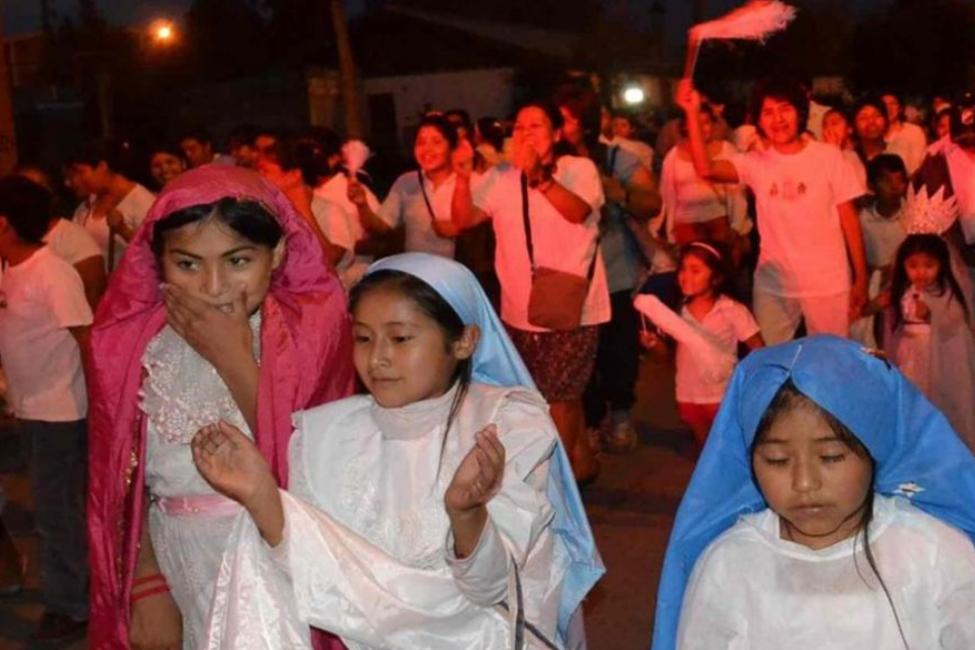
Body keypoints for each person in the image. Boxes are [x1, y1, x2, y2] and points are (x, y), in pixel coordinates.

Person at [189, 253, 603, 649]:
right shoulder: (326, 432)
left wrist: (467, 514)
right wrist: (261, 494)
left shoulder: (508, 425)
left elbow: (494, 590)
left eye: (401, 338)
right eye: (364, 338)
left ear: (464, 340)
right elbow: (317, 573)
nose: (378, 357)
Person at [86, 166, 355, 649]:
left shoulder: (304, 336)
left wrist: (231, 356)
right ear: (157, 261)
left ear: (275, 254)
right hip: (178, 563)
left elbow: (314, 471)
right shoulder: (141, 344)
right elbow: (130, 478)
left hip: (271, 564)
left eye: (237, 261)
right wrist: (147, 581)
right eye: (187, 264)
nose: (213, 286)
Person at [653, 336, 975, 650]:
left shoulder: (933, 553)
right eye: (778, 460)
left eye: (831, 456)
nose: (804, 483)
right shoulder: (729, 564)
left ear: (876, 449)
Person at [451, 101, 609, 482]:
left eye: (536, 125)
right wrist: (460, 177)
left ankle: (559, 485)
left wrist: (538, 176)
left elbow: (577, 212)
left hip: (572, 307)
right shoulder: (502, 176)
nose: (525, 132)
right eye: (519, 126)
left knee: (559, 399)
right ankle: (583, 462)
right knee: (550, 395)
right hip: (519, 310)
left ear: (556, 134)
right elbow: (461, 220)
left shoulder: (578, 169)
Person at [676, 77, 868, 344]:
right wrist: (691, 112)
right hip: (774, 284)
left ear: (800, 112)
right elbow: (706, 169)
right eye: (768, 112)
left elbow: (849, 219)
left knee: (829, 360)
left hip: (827, 282)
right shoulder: (755, 163)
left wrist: (861, 277)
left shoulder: (829, 157)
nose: (777, 119)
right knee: (770, 358)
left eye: (784, 109)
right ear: (758, 120)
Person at [0, 176, 92, 642]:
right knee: (50, 509)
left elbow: (85, 339)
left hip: (59, 412)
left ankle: (71, 605)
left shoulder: (52, 272)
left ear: (4, 224)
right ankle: (71, 593)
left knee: (57, 512)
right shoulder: (9, 268)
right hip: (31, 407)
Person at [555, 83, 661, 453]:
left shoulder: (616, 159)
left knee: (618, 348)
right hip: (570, 276)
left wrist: (616, 190)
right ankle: (591, 420)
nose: (559, 127)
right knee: (581, 356)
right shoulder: (549, 164)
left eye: (566, 121)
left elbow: (652, 202)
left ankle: (620, 414)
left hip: (614, 270)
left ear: (583, 124)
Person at [634, 242, 763, 449]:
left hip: (721, 393)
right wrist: (654, 344)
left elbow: (758, 348)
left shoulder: (731, 310)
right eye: (683, 269)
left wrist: (751, 384)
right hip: (688, 394)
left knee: (731, 447)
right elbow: (664, 355)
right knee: (705, 449)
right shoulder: (676, 311)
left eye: (696, 271)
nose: (686, 276)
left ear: (716, 277)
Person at [885, 234, 975, 450]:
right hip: (908, 353)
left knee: (934, 398)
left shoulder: (946, 295)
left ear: (942, 265)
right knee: (910, 399)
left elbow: (954, 324)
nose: (921, 272)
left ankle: (941, 444)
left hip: (935, 356)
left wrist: (931, 314)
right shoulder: (903, 292)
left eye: (929, 265)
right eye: (913, 265)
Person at [354, 114, 463, 258]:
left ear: (452, 147)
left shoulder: (466, 183)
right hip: (416, 273)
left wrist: (460, 228)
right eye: (421, 142)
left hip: (457, 274)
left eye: (436, 142)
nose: (427, 149)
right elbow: (382, 228)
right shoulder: (406, 182)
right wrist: (362, 205)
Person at [659, 104, 749, 248]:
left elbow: (738, 191)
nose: (702, 128)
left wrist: (737, 226)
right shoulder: (673, 156)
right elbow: (668, 195)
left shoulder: (727, 150)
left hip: (718, 222)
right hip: (686, 225)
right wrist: (671, 231)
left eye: (706, 123)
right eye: (695, 123)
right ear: (685, 127)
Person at [17, 166, 106, 310]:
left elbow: (93, 304)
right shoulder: (8, 239)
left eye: (40, 186)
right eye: (23, 188)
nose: (32, 195)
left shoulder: (73, 238)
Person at [258, 133, 353, 268]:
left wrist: (303, 208)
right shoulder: (263, 209)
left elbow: (330, 260)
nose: (259, 177)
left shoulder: (329, 210)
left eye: (265, 171)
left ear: (294, 175)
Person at [65, 139, 155, 272]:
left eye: (80, 172)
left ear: (102, 166)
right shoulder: (88, 204)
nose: (73, 181)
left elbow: (155, 253)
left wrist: (123, 230)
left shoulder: (143, 201)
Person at [851, 155, 909, 346]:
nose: (894, 187)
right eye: (886, 181)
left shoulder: (914, 217)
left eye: (900, 180)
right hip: (870, 290)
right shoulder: (861, 219)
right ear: (872, 185)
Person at [882, 91, 928, 175]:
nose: (888, 108)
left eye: (893, 103)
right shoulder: (875, 136)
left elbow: (918, 164)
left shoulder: (914, 131)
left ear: (900, 108)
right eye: (884, 104)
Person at [821, 107, 867, 188]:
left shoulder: (853, 157)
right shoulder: (820, 156)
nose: (828, 129)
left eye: (834, 123)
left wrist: (834, 152)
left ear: (849, 128)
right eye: (825, 125)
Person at [853, 97, 892, 166]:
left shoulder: (896, 152)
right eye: (863, 118)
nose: (871, 122)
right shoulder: (849, 159)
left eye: (877, 115)